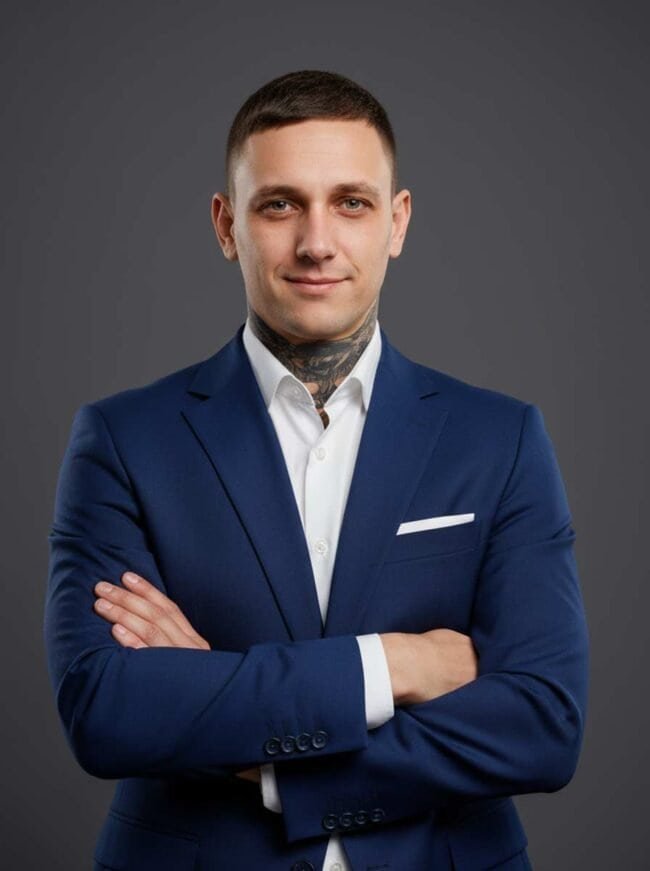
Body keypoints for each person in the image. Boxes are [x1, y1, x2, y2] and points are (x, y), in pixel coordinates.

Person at [44, 69, 589, 871]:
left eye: (352, 202)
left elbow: (543, 723)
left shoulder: (500, 439)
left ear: (396, 222)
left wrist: (250, 742)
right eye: (280, 204)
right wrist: (397, 663)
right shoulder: (123, 440)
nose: (317, 242)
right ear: (227, 224)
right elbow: (106, 709)